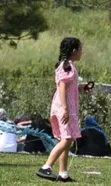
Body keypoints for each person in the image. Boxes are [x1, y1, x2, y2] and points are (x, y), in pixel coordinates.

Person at [37, 37, 85, 182]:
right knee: (67, 138)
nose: (82, 52)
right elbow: (62, 87)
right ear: (74, 51)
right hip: (65, 107)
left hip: (64, 106)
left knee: (66, 139)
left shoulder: (66, 66)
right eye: (80, 49)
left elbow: (68, 88)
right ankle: (46, 167)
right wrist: (65, 108)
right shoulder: (67, 67)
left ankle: (63, 173)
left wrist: (80, 89)